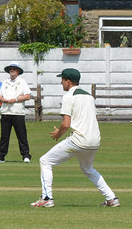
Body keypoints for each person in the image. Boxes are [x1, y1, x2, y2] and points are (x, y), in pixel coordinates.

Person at [31, 68, 119, 208]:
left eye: (62, 80)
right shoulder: (89, 97)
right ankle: (111, 198)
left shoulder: (68, 97)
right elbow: (94, 119)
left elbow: (66, 124)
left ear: (68, 81)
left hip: (78, 140)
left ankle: (47, 198)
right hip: (94, 140)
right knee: (88, 169)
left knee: (45, 161)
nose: (61, 82)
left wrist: (58, 134)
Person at [0, 62, 32, 163]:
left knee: (21, 135)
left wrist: (16, 100)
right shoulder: (5, 82)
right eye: (11, 69)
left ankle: (26, 156)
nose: (12, 71)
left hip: (18, 112)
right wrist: (3, 99)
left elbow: (28, 96)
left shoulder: (22, 82)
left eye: (14, 69)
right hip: (6, 111)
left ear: (18, 71)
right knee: (4, 136)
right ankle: (1, 156)